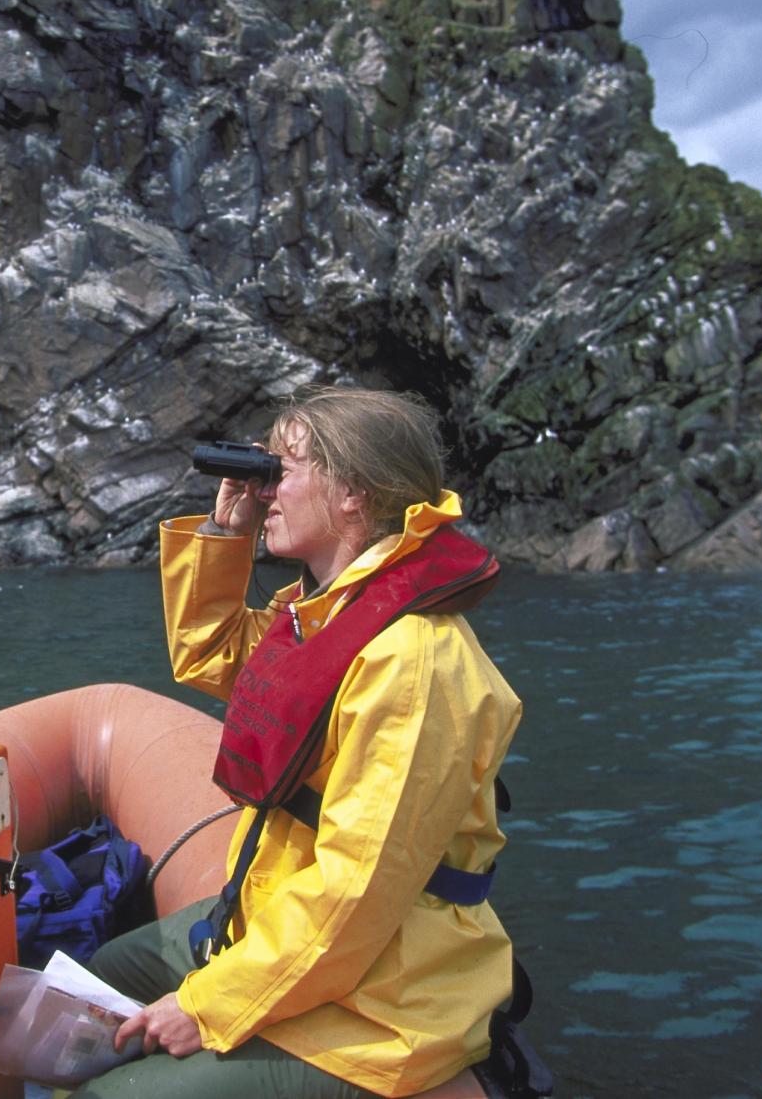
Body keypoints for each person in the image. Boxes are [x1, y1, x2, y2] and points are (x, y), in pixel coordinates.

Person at [82, 385, 525, 1099]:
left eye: (282, 471)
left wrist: (206, 1004)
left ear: (352, 493)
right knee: (100, 980)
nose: (266, 490)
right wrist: (227, 535)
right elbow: (214, 655)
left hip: (379, 1001)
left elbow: (355, 892)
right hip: (273, 911)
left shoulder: (413, 663)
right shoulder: (321, 617)